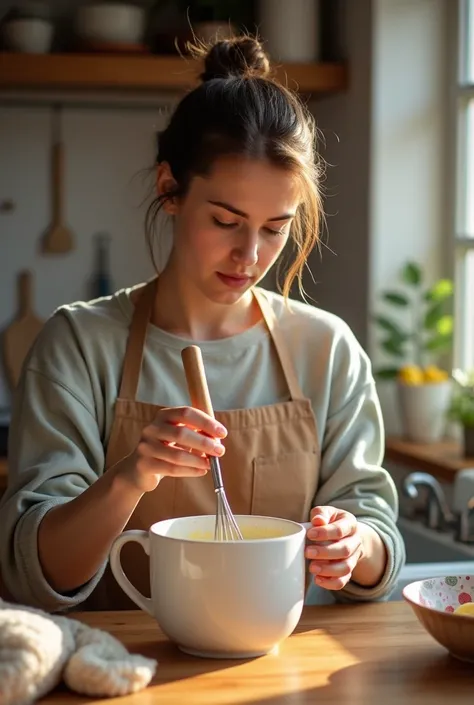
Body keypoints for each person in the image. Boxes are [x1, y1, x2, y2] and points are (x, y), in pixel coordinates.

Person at [0, 36, 405, 613]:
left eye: (274, 228)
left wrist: (354, 544)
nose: (249, 256)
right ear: (170, 189)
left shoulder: (327, 349)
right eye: (226, 220)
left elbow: (378, 540)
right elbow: (31, 571)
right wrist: (130, 477)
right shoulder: (77, 347)